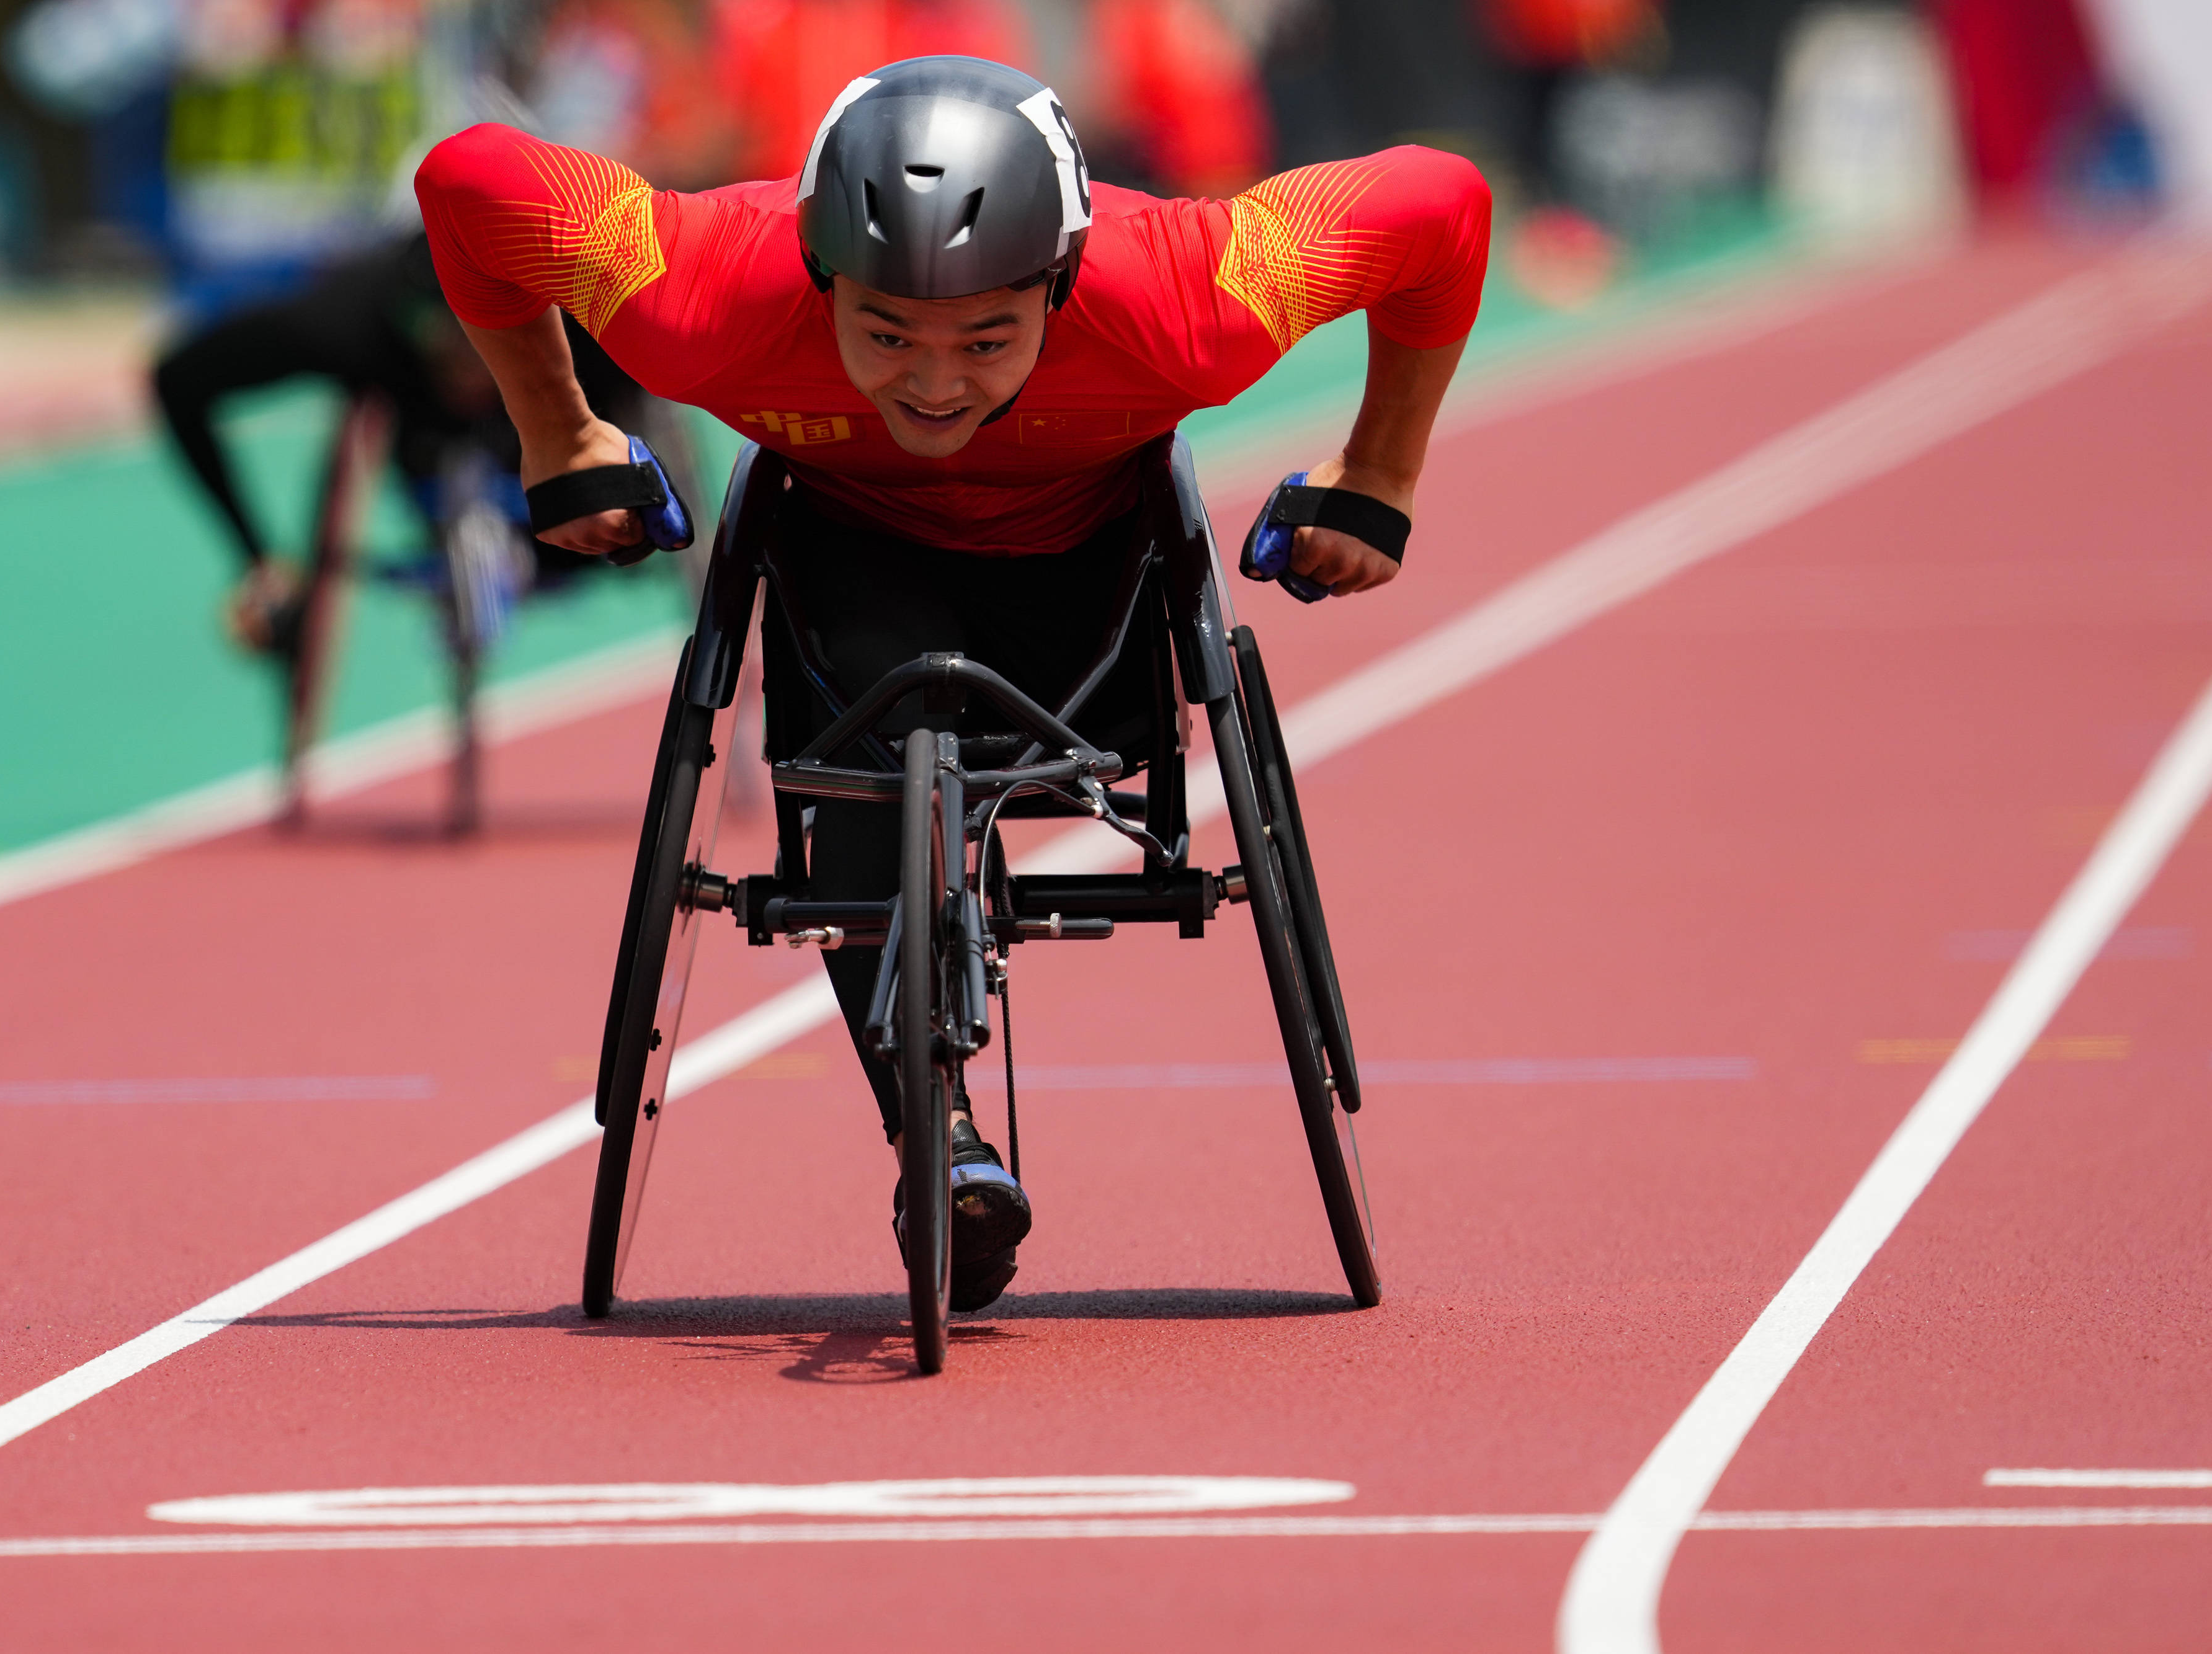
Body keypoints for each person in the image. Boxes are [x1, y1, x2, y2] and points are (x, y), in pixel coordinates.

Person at [416, 56, 1489, 1309]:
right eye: (883, 334)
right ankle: (942, 1139)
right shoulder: (702, 287)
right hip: (848, 559)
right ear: (820, 278)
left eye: (986, 338)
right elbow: (466, 181)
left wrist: (1382, 474)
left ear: (1060, 284)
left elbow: (1442, 205)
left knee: (913, 700)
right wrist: (559, 429)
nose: (931, 384)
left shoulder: (1199, 293)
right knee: (862, 749)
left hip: (1085, 588)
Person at [150, 230, 645, 647]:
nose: (467, 368)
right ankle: (479, 541)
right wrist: (257, 557)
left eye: (477, 347)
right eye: (449, 348)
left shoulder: (586, 308)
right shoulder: (351, 321)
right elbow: (177, 379)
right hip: (426, 446)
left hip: (555, 419)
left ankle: (521, 544)